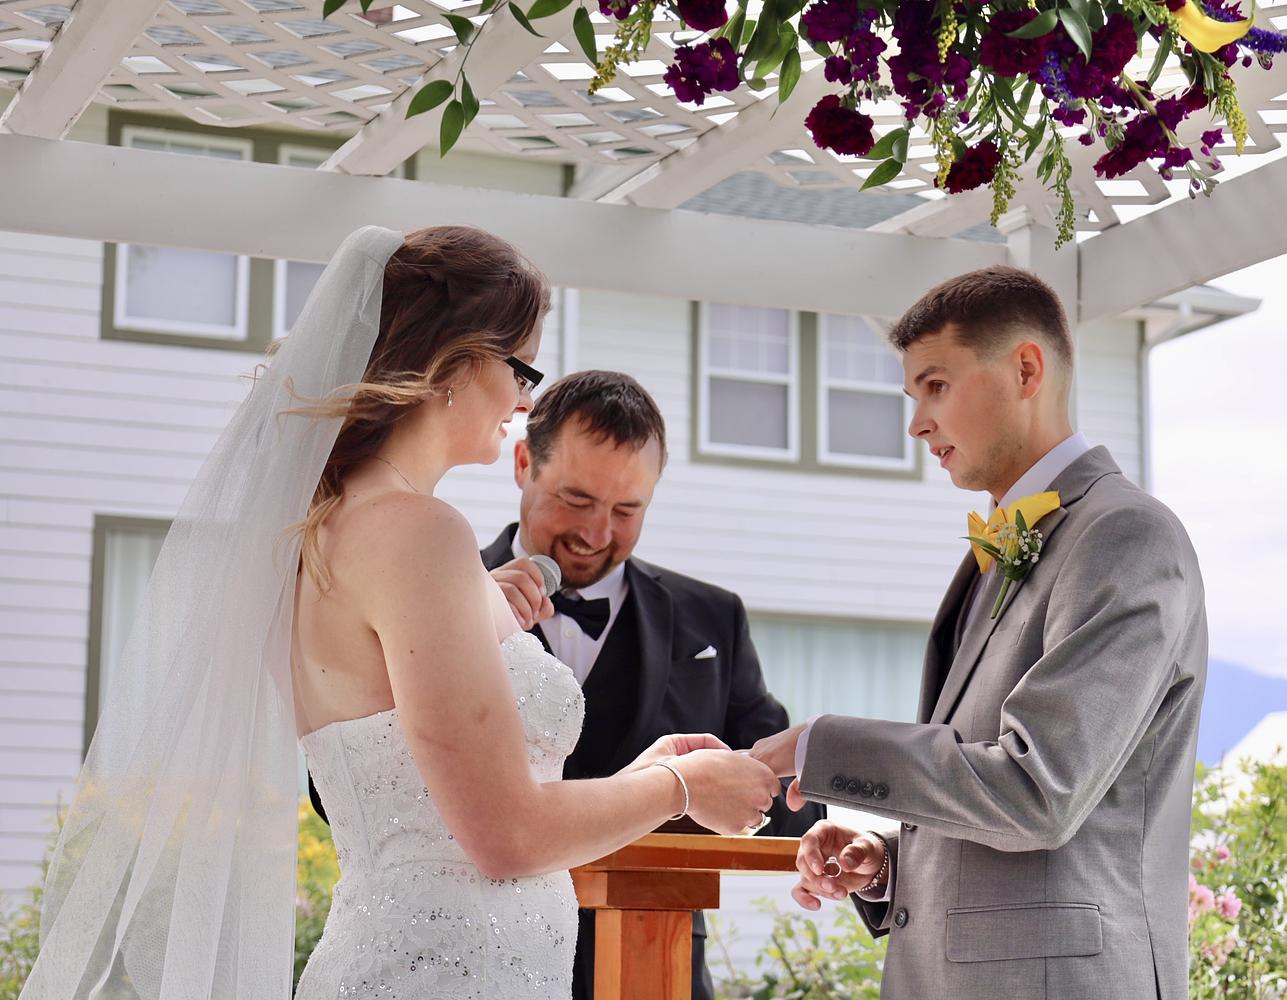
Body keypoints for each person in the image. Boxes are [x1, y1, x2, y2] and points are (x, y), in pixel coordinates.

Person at [21, 226, 780, 1000]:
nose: (525, 400)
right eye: (521, 370)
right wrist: (680, 786)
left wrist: (638, 779)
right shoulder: (417, 533)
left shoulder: (336, 526)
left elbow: (442, 803)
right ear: (455, 362)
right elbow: (506, 835)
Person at [751, 265, 1209, 999]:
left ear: (1026, 369)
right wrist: (890, 856)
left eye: (937, 386)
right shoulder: (1000, 547)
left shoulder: (1125, 536)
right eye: (915, 396)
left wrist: (820, 746)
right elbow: (992, 788)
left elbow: (1038, 790)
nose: (917, 424)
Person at [480, 369, 824, 999]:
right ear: (524, 463)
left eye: (627, 510)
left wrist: (789, 787)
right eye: (576, 500)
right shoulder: (443, 595)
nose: (597, 534)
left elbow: (788, 807)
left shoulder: (712, 618)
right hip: (482, 963)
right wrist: (468, 618)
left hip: (660, 966)